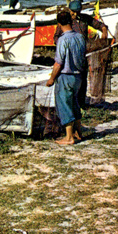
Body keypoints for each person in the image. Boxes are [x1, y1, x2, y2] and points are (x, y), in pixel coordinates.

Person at [46, 11, 87, 145]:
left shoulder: (63, 40)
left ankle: (69, 137)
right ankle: (78, 133)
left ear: (59, 24)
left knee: (64, 104)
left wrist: (51, 78)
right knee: (74, 103)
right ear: (71, 21)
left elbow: (59, 62)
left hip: (66, 76)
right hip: (78, 76)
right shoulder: (80, 37)